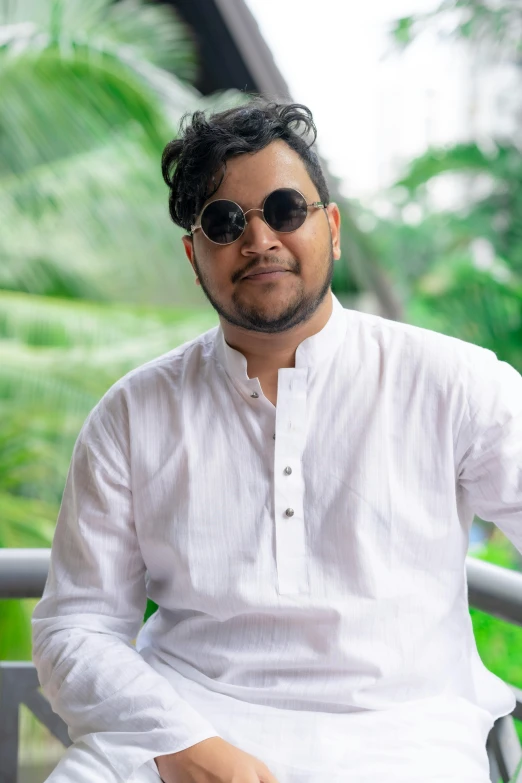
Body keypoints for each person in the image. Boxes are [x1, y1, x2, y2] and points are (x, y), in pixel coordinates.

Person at [31, 100, 522, 783]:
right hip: (175, 728)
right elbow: (73, 626)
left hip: (403, 735)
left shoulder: (454, 384)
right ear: (193, 256)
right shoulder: (133, 414)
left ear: (333, 227)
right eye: (225, 222)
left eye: (286, 209)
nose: (258, 238)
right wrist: (187, 745)